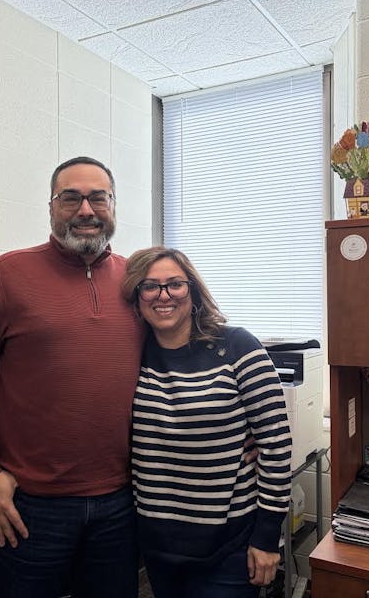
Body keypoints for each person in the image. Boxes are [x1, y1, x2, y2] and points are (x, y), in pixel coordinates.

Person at [0, 156, 144, 598]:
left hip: (122, 500)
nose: (85, 210)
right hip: (31, 504)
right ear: (51, 207)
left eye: (98, 197)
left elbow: (179, 361)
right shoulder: (5, 276)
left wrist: (235, 429)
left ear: (114, 205)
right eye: (71, 197)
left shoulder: (136, 280)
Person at [122, 246, 293, 597]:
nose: (163, 295)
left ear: (193, 290)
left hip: (229, 546)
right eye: (150, 286)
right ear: (137, 297)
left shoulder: (237, 346)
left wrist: (267, 537)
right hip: (157, 545)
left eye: (175, 284)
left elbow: (275, 445)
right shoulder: (131, 355)